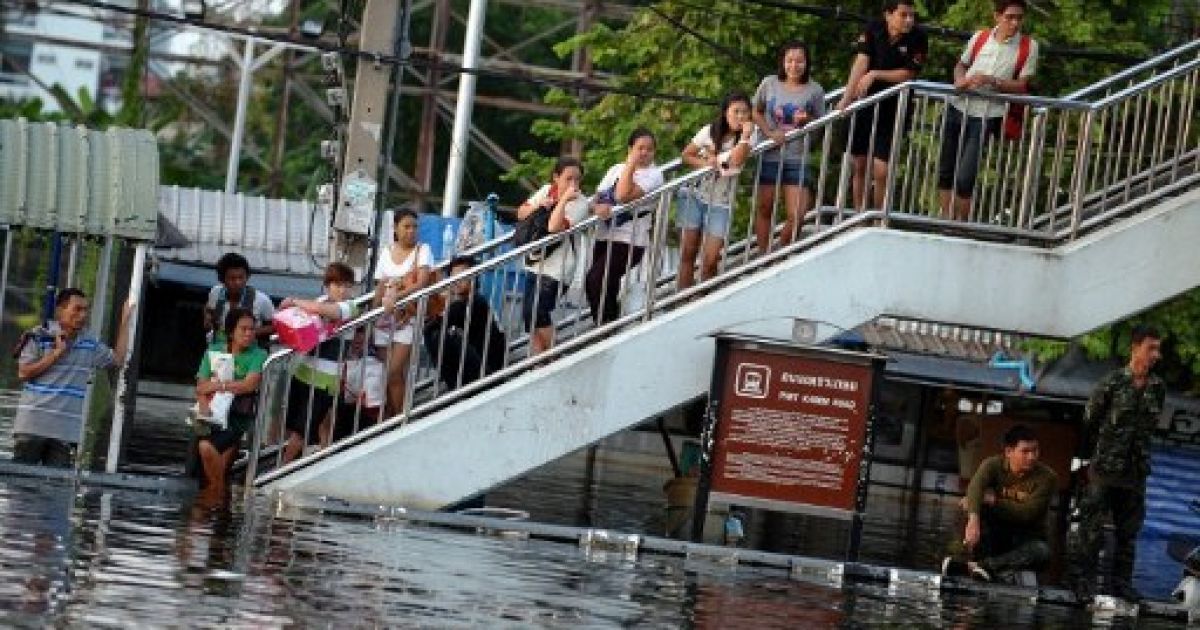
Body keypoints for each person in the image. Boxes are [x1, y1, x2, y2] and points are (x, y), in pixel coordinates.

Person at [1067, 324, 1166, 603]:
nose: (1156, 355)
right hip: (1104, 470)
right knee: (1091, 529)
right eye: (1151, 348)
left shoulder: (1158, 387)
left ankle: (1121, 584)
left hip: (1135, 473)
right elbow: (1089, 422)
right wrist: (1087, 462)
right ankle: (1080, 582)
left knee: (1129, 533)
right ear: (1134, 348)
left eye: (1158, 349)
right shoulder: (1111, 384)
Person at [937, 0, 1038, 220]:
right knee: (946, 168)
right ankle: (945, 219)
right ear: (997, 17)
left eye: (1019, 18)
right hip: (958, 106)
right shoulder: (980, 37)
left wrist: (992, 81)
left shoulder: (1028, 46)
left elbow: (1022, 85)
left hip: (988, 113)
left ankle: (961, 222)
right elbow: (961, 64)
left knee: (966, 175)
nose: (1014, 23)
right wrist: (960, 80)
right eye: (1010, 17)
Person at [13, 289, 132, 467]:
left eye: (86, 310)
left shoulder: (90, 343)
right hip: (32, 428)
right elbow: (24, 373)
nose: (82, 315)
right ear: (61, 310)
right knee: (20, 488)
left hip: (66, 432)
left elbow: (117, 360)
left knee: (57, 489)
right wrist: (55, 354)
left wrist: (125, 321)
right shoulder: (38, 335)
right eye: (77, 309)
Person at [837, 0, 928, 211]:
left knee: (882, 169)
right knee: (859, 164)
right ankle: (859, 214)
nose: (909, 20)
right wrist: (847, 98)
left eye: (912, 16)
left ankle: (878, 215)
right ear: (888, 15)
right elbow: (861, 62)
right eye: (903, 15)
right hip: (864, 103)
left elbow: (909, 74)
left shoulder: (918, 37)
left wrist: (876, 74)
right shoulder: (873, 29)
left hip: (893, 109)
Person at [942, 425, 1057, 582]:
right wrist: (973, 519)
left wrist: (994, 501)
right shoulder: (993, 465)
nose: (1032, 457)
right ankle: (967, 559)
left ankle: (981, 566)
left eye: (1035, 450)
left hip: (1025, 540)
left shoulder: (1047, 477)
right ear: (1009, 452)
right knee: (970, 506)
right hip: (995, 536)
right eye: (1025, 451)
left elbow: (1028, 513)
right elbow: (975, 487)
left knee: (1042, 552)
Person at [280, 262, 361, 463]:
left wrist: (294, 301)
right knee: (303, 423)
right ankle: (321, 454)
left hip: (325, 379)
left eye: (347, 285)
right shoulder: (320, 300)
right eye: (338, 285)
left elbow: (325, 310)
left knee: (302, 428)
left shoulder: (350, 306)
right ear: (327, 285)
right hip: (303, 370)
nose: (343, 290)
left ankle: (280, 468)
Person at [585, 127, 665, 325]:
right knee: (606, 284)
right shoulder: (615, 169)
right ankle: (607, 324)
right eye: (640, 148)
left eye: (649, 149)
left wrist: (631, 165)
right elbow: (597, 197)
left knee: (596, 279)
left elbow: (622, 195)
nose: (644, 153)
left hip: (630, 239)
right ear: (630, 148)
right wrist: (596, 207)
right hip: (605, 234)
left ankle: (604, 326)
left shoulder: (654, 175)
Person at [753, 41, 826, 253]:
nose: (794, 65)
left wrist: (807, 120)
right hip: (769, 153)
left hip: (798, 155)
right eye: (790, 61)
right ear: (783, 62)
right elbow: (755, 111)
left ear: (807, 63)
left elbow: (822, 122)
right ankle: (763, 255)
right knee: (765, 207)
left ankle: (782, 250)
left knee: (798, 214)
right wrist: (769, 132)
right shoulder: (769, 83)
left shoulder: (815, 90)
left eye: (799, 61)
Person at [679, 91, 755, 288]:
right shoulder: (709, 130)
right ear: (725, 112)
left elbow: (734, 163)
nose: (740, 117)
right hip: (693, 194)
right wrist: (705, 163)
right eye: (735, 111)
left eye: (745, 112)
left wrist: (745, 137)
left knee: (711, 258)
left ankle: (703, 295)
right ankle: (681, 299)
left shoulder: (748, 137)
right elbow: (687, 155)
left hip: (721, 200)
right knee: (688, 251)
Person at [517, 157, 591, 354]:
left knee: (539, 311)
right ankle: (539, 359)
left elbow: (554, 227)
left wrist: (563, 200)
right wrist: (540, 206)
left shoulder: (581, 203)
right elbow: (521, 212)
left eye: (577, 180)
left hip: (559, 269)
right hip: (535, 262)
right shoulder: (546, 190)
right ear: (556, 177)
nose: (573, 184)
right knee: (528, 315)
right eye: (568, 179)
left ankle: (553, 355)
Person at [193, 307, 267, 501]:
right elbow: (201, 386)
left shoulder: (258, 354)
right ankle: (218, 495)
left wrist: (218, 385)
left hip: (237, 415)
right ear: (231, 331)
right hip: (211, 413)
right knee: (203, 467)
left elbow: (249, 385)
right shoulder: (214, 350)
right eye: (243, 329)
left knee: (207, 448)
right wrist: (203, 404)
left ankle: (218, 493)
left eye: (252, 329)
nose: (249, 333)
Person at [373, 208, 434, 416]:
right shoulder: (386, 252)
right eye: (406, 226)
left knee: (394, 370)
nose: (411, 231)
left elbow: (423, 281)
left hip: (408, 319)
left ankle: (398, 416)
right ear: (396, 229)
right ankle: (392, 415)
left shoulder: (422, 250)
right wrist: (372, 315)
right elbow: (380, 286)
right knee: (388, 375)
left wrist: (397, 297)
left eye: (415, 227)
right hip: (384, 318)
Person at [422, 256, 507, 389]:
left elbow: (433, 326)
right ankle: (454, 385)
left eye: (462, 276)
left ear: (474, 277)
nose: (457, 281)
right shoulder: (466, 303)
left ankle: (454, 386)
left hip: (488, 375)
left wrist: (442, 300)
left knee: (441, 337)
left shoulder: (475, 303)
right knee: (441, 336)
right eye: (453, 277)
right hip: (481, 371)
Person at [204, 252, 275, 346]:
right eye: (232, 278)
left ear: (247, 277)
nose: (238, 282)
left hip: (249, 351)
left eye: (241, 277)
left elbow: (274, 327)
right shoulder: (215, 292)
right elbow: (208, 309)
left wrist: (250, 332)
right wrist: (207, 318)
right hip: (219, 346)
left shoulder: (262, 300)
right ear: (222, 279)